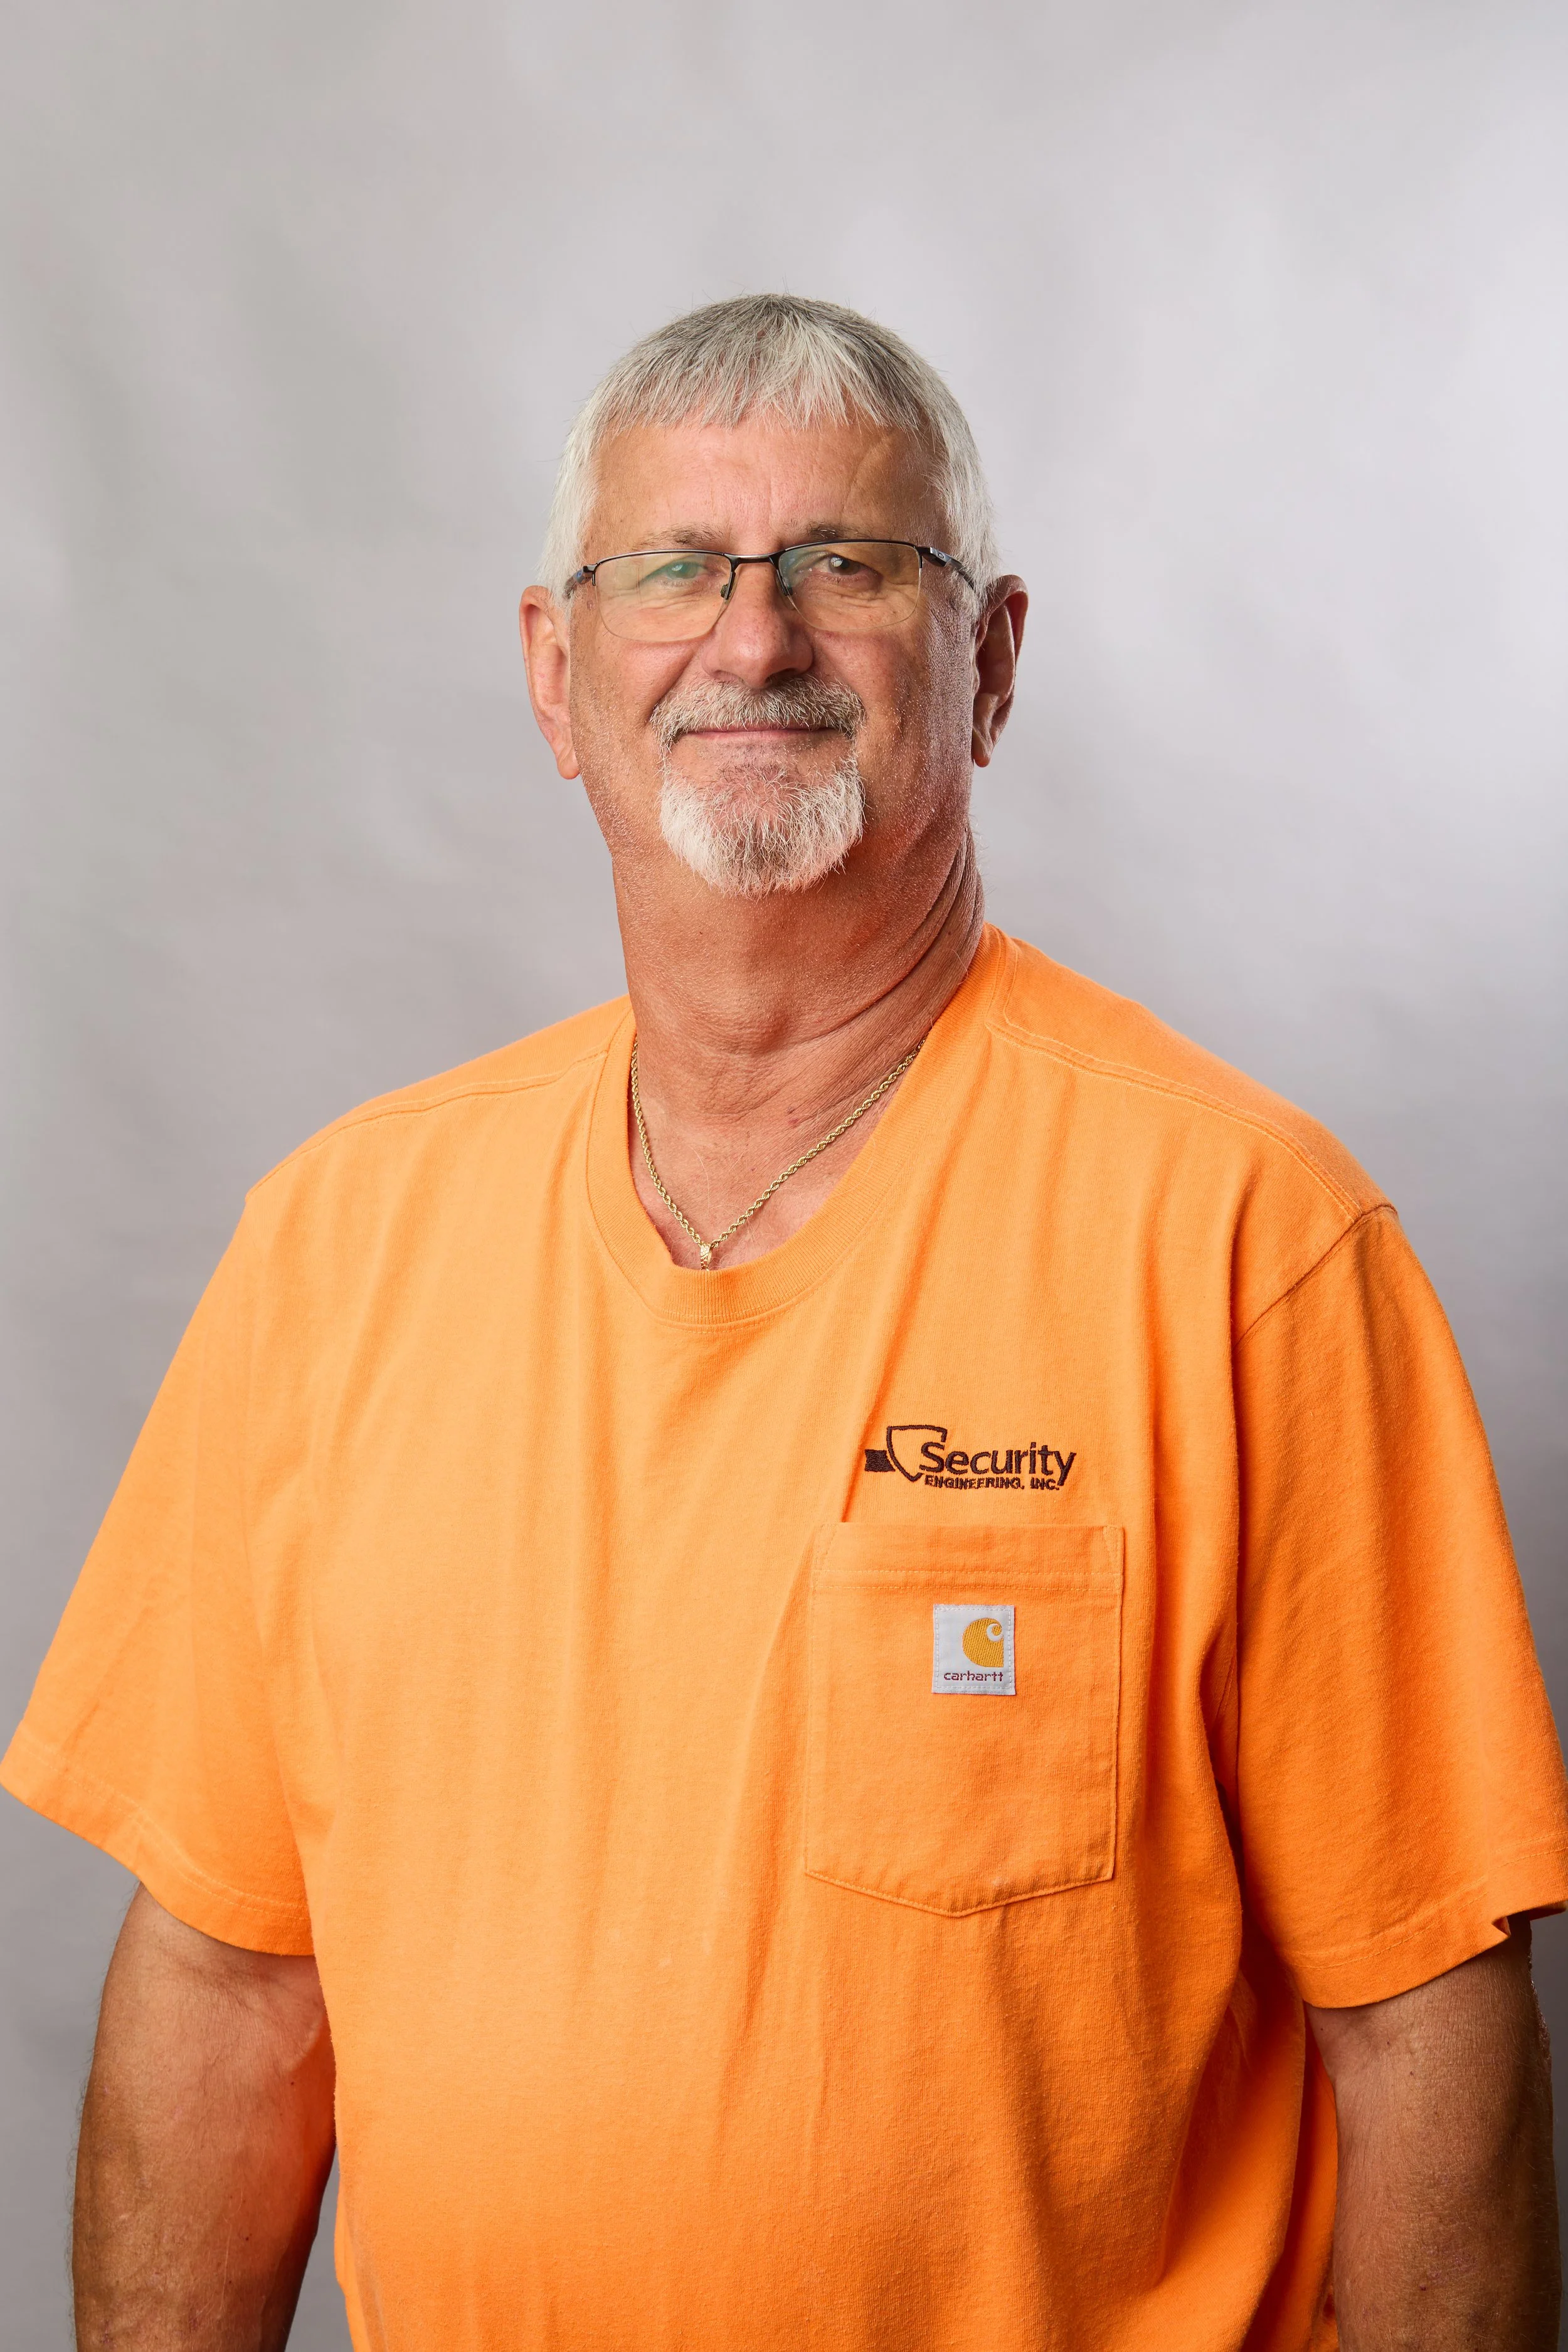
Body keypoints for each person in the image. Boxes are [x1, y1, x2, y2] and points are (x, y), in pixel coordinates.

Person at [6, 294, 1565, 2352]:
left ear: (988, 659)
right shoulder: (339, 1241)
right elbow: (228, 1979)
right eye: (671, 566)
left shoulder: (1240, 1238)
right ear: (558, 679)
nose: (752, 640)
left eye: (846, 563)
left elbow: (1421, 2011)